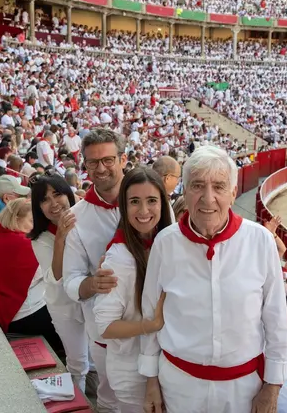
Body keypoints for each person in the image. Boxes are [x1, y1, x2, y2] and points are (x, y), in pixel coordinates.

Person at [139, 145, 287, 413]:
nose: (208, 199)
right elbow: (151, 314)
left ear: (233, 193)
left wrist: (272, 386)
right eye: (197, 186)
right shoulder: (165, 243)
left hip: (243, 390)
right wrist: (151, 380)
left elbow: (276, 318)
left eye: (219, 187)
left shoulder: (260, 241)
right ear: (185, 191)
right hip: (179, 387)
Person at [94, 167, 171, 412]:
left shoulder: (167, 244)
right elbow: (105, 327)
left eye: (151, 201)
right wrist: (150, 325)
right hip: (133, 372)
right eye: (135, 202)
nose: (144, 210)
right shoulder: (119, 258)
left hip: (163, 367)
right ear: (124, 207)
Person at [63, 129, 128, 413]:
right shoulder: (77, 217)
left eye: (108, 160)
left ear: (123, 159)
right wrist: (93, 284)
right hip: (105, 330)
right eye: (92, 162)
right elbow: (70, 281)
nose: (100, 168)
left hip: (152, 323)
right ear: (84, 165)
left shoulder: (152, 199)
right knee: (110, 395)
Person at [0, 198, 64, 353]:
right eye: (31, 221)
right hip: (21, 314)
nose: (36, 226)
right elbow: (53, 275)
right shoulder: (22, 244)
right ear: (16, 219)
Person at [29, 175, 89, 391]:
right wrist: (61, 236)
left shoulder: (84, 217)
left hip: (89, 299)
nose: (54, 203)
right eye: (45, 200)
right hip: (64, 307)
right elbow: (56, 274)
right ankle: (79, 401)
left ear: (68, 194)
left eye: (57, 194)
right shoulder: (40, 239)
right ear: (38, 208)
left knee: (94, 356)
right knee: (78, 361)